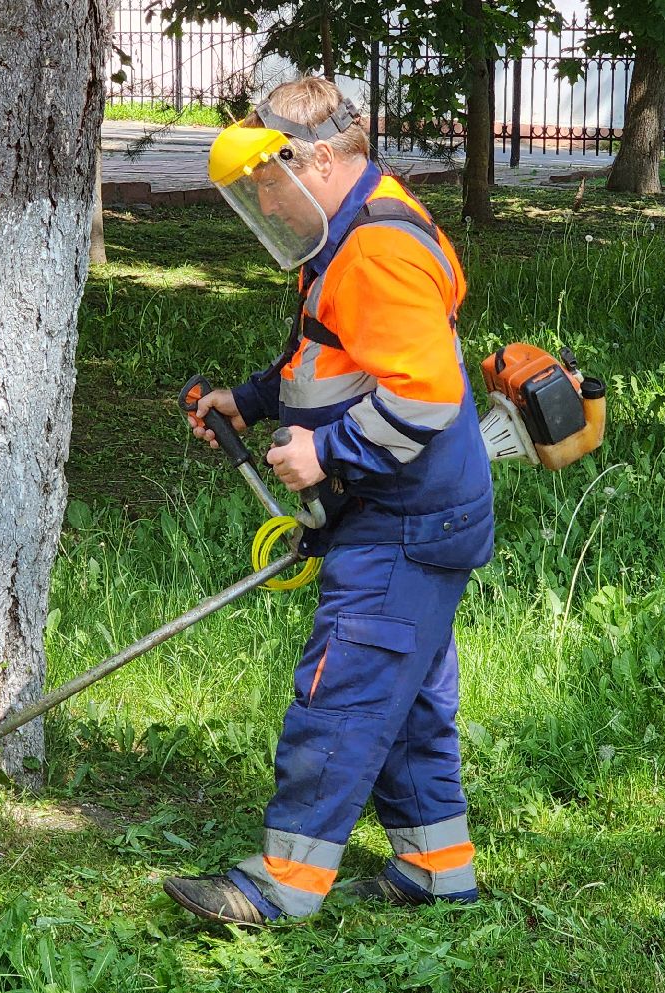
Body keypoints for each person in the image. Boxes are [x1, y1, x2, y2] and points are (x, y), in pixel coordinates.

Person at [163, 76, 494, 926]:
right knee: (408, 703)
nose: (263, 203)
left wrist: (327, 451)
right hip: (412, 515)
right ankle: (437, 871)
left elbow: (423, 400)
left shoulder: (379, 250)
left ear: (311, 159)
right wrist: (252, 400)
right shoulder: (342, 237)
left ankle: (281, 887)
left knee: (339, 694)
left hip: (404, 520)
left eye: (266, 183)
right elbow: (331, 356)